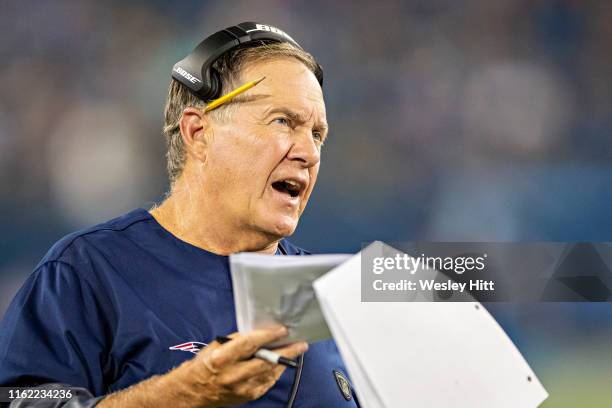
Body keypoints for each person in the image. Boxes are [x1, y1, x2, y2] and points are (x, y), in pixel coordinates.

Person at [0, 23, 359, 407]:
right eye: (283, 121)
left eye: (318, 134)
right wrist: (184, 394)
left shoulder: (334, 292)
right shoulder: (86, 272)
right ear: (198, 132)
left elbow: (427, 287)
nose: (310, 152)